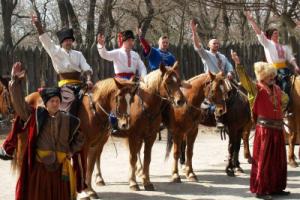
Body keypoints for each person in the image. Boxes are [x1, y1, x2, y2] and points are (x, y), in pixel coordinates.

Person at [0, 62, 85, 200]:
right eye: (52, 101)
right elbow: (20, 106)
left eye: (58, 101)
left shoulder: (69, 120)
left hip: (61, 170)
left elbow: (80, 138)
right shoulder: (37, 116)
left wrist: (70, 151)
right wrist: (15, 82)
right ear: (46, 103)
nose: (56, 103)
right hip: (41, 169)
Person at [32, 16, 93, 115]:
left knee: (94, 99)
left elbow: (86, 68)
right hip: (65, 86)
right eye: (66, 40)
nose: (68, 42)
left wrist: (89, 79)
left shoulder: (78, 54)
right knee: (70, 101)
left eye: (70, 40)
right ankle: (67, 124)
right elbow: (45, 40)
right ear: (61, 42)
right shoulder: (55, 51)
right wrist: (38, 25)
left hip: (80, 85)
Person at [244, 11, 300, 114]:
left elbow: (291, 57)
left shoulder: (283, 46)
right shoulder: (268, 44)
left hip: (285, 69)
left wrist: (296, 66)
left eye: (277, 32)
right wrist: (251, 20)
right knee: (284, 83)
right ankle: (283, 106)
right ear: (270, 35)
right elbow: (259, 33)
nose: (277, 34)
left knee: (294, 82)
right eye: (274, 33)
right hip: (274, 71)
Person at [250, 61, 290, 199]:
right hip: (264, 130)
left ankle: (276, 187)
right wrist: (238, 66)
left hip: (277, 129)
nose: (272, 78)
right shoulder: (257, 89)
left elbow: (285, 100)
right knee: (264, 161)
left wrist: (282, 112)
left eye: (273, 75)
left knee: (278, 161)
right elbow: (244, 81)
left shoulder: (278, 89)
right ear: (262, 77)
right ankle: (261, 190)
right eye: (269, 76)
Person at [190, 19, 234, 128]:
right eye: (214, 43)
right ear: (209, 45)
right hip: (211, 80)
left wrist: (230, 72)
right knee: (218, 95)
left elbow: (229, 66)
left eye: (218, 43)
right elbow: (197, 46)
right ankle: (217, 116)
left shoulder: (222, 56)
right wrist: (194, 32)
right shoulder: (206, 55)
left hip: (223, 80)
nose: (216, 45)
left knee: (236, 92)